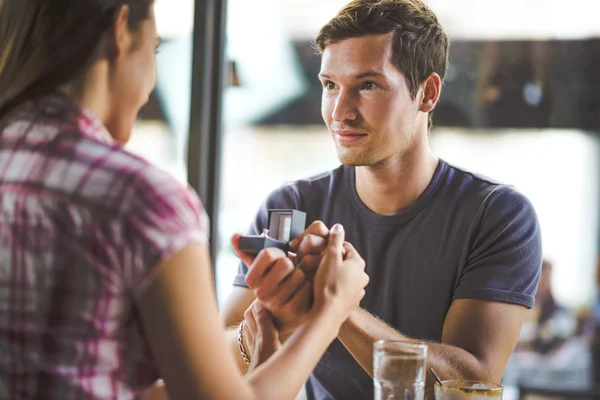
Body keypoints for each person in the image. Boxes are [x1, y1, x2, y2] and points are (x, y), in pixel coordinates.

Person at [0, 1, 369, 399]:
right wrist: (331, 309)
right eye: (155, 48)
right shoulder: (139, 200)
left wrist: (266, 343)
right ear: (121, 30)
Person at [222, 0, 543, 399]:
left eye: (368, 85)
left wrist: (335, 308)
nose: (340, 111)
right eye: (330, 85)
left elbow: (471, 382)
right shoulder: (290, 206)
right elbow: (219, 354)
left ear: (427, 93)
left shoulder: (497, 215)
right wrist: (264, 327)